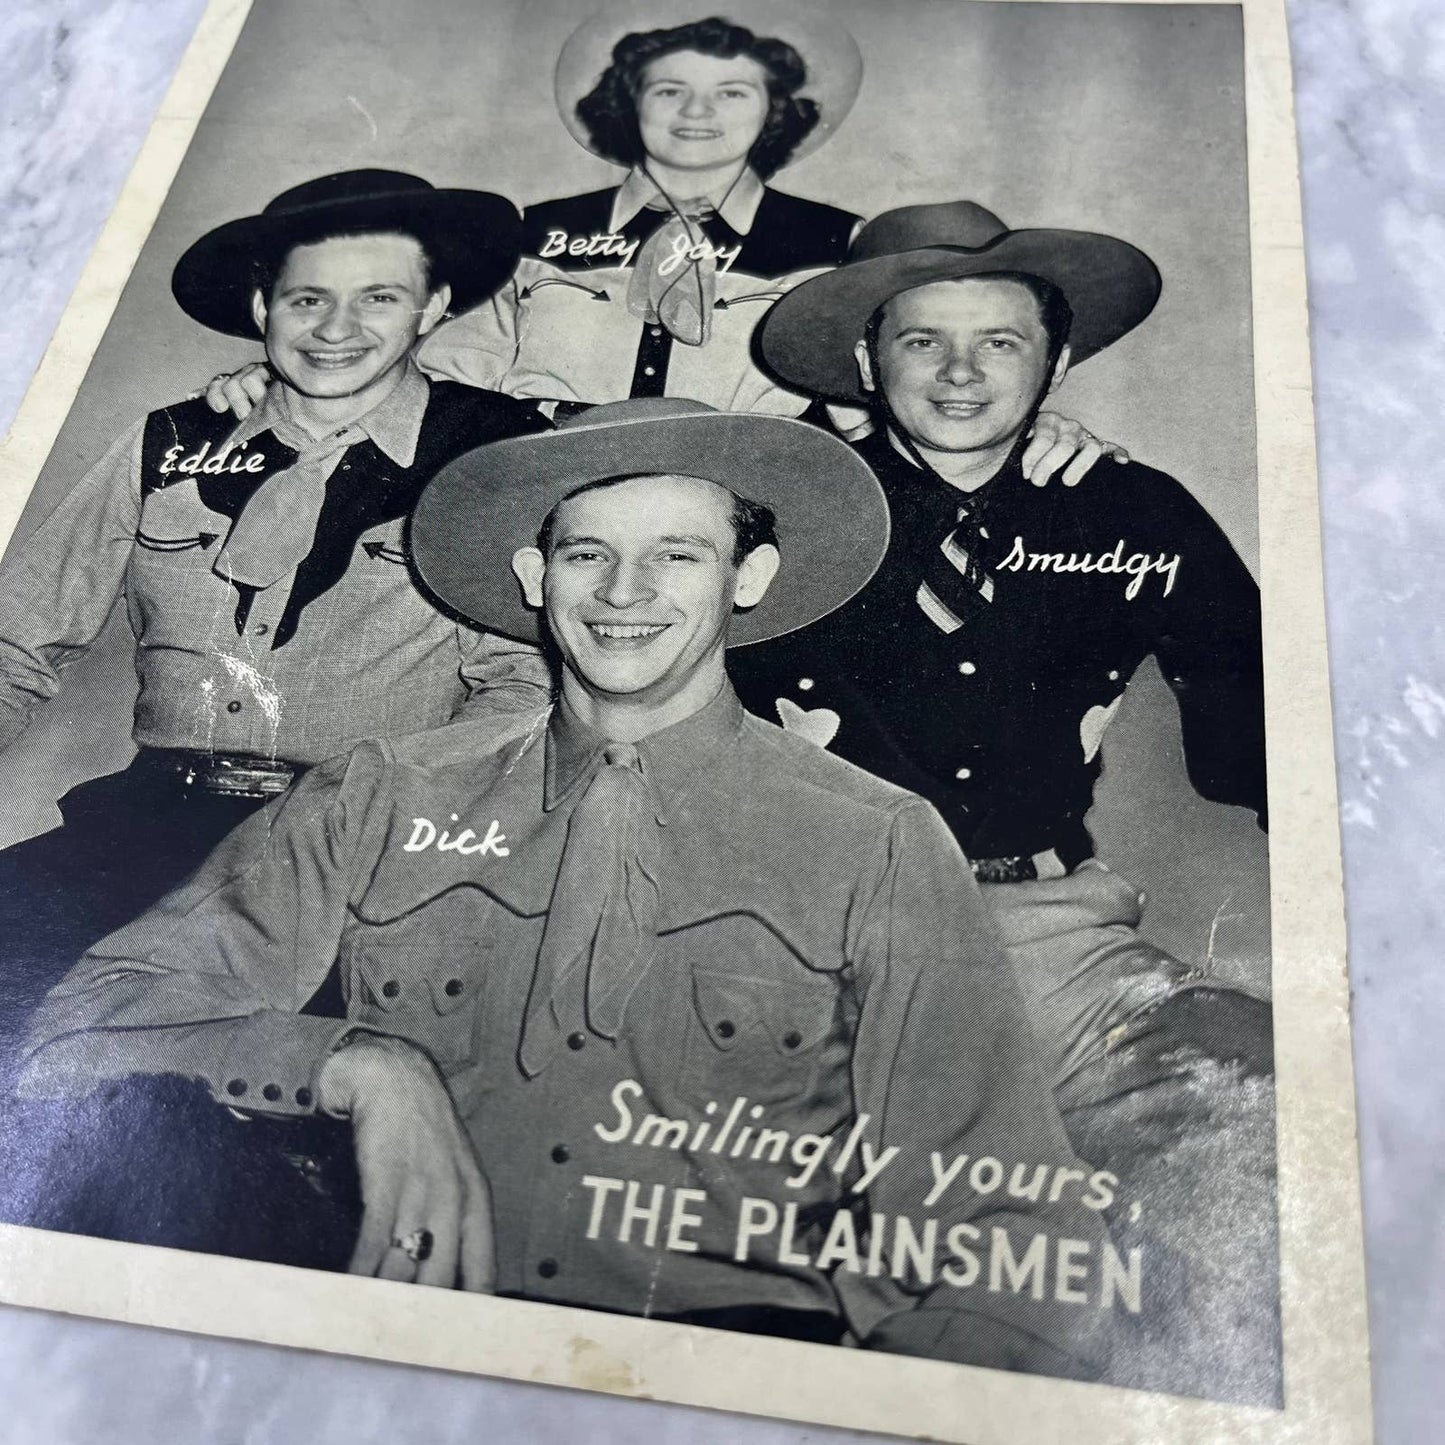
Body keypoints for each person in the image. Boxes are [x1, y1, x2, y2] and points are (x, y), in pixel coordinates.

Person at [16, 400, 1120, 1381]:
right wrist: (357, 1063)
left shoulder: (874, 839)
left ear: (749, 578)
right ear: (536, 581)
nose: (625, 593)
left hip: (716, 1374)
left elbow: (1002, 1219)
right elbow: (80, 1031)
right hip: (394, 1360)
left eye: (677, 556)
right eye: (587, 554)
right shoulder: (384, 792)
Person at [729, 200, 1278, 1400]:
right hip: (815, 945)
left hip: (1054, 944)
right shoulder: (774, 515)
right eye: (922, 341)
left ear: (1058, 361)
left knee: (1259, 1132)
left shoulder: (1127, 511)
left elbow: (1264, 735)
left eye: (1001, 342)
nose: (963, 373)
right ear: (868, 362)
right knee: (886, 1265)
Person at [0, 169, 552, 1061]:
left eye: (378, 297)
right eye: (307, 299)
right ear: (262, 306)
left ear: (434, 305)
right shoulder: (171, 441)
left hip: (352, 849)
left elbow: (520, 691)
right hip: (144, 822)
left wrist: (402, 834)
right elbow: (13, 647)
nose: (336, 330)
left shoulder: (493, 454)